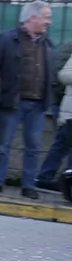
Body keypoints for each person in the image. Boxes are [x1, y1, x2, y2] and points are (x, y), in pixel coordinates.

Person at [0, 1, 55, 199]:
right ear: (33, 18)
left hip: (38, 103)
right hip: (12, 101)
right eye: (46, 17)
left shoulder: (46, 43)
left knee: (33, 146)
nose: (48, 22)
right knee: (3, 145)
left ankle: (28, 185)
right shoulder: (7, 39)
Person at [37, 36, 72, 191]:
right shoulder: (68, 48)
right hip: (67, 108)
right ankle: (46, 177)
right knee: (63, 143)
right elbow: (62, 75)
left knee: (62, 143)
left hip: (63, 104)